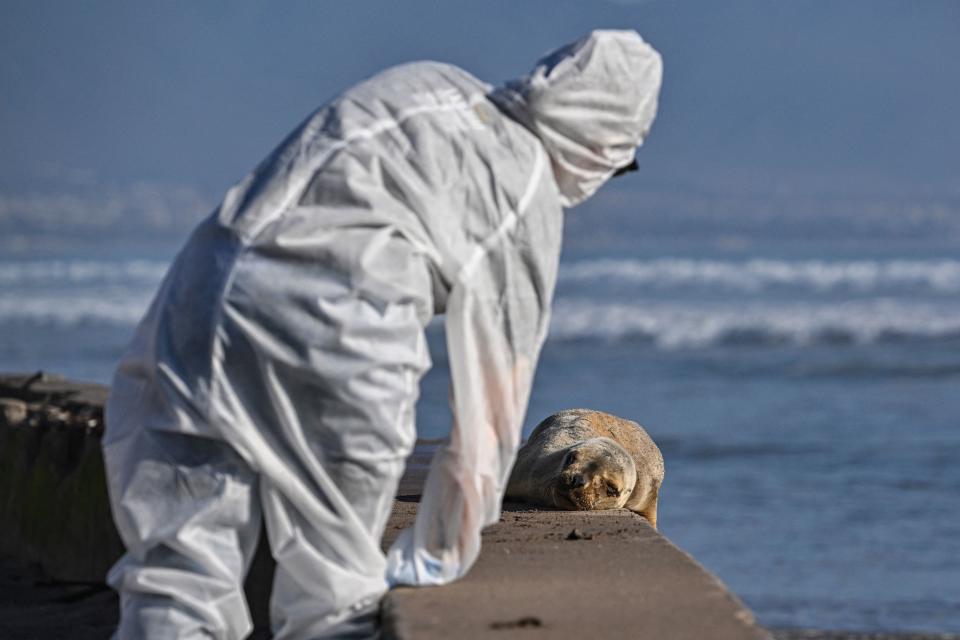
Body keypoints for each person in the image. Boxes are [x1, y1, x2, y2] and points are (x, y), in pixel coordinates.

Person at [102, 29, 662, 639]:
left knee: (176, 575)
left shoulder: (428, 83)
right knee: (333, 596)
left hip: (202, 295)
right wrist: (434, 558)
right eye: (621, 162)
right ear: (602, 139)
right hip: (335, 339)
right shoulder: (525, 190)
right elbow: (490, 421)